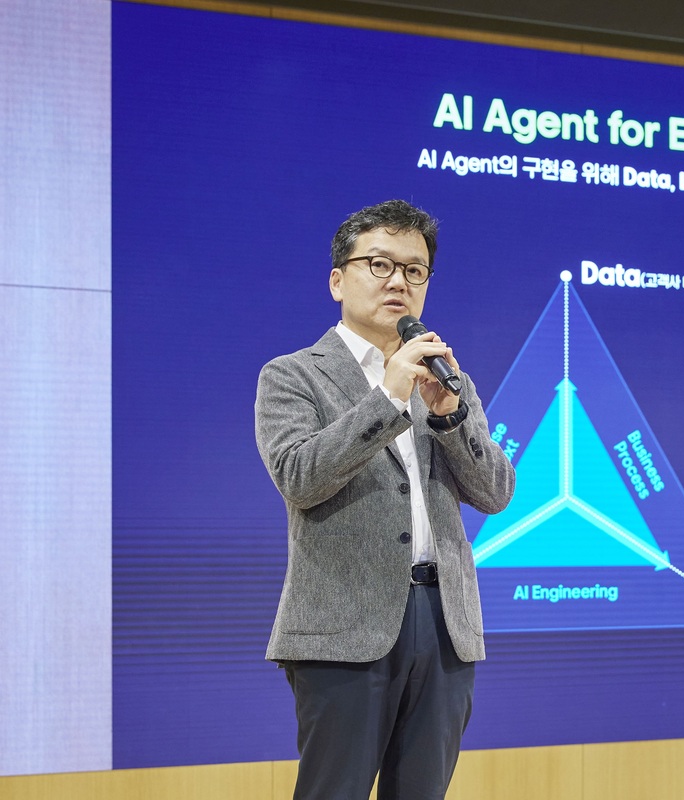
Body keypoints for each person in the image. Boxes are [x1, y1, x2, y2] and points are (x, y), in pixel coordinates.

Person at [254, 199, 515, 799]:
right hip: (344, 627)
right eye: (379, 264)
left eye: (414, 270)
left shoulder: (445, 377)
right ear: (337, 280)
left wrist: (448, 417)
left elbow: (496, 493)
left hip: (444, 624)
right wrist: (389, 398)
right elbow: (299, 476)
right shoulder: (293, 375)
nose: (398, 281)